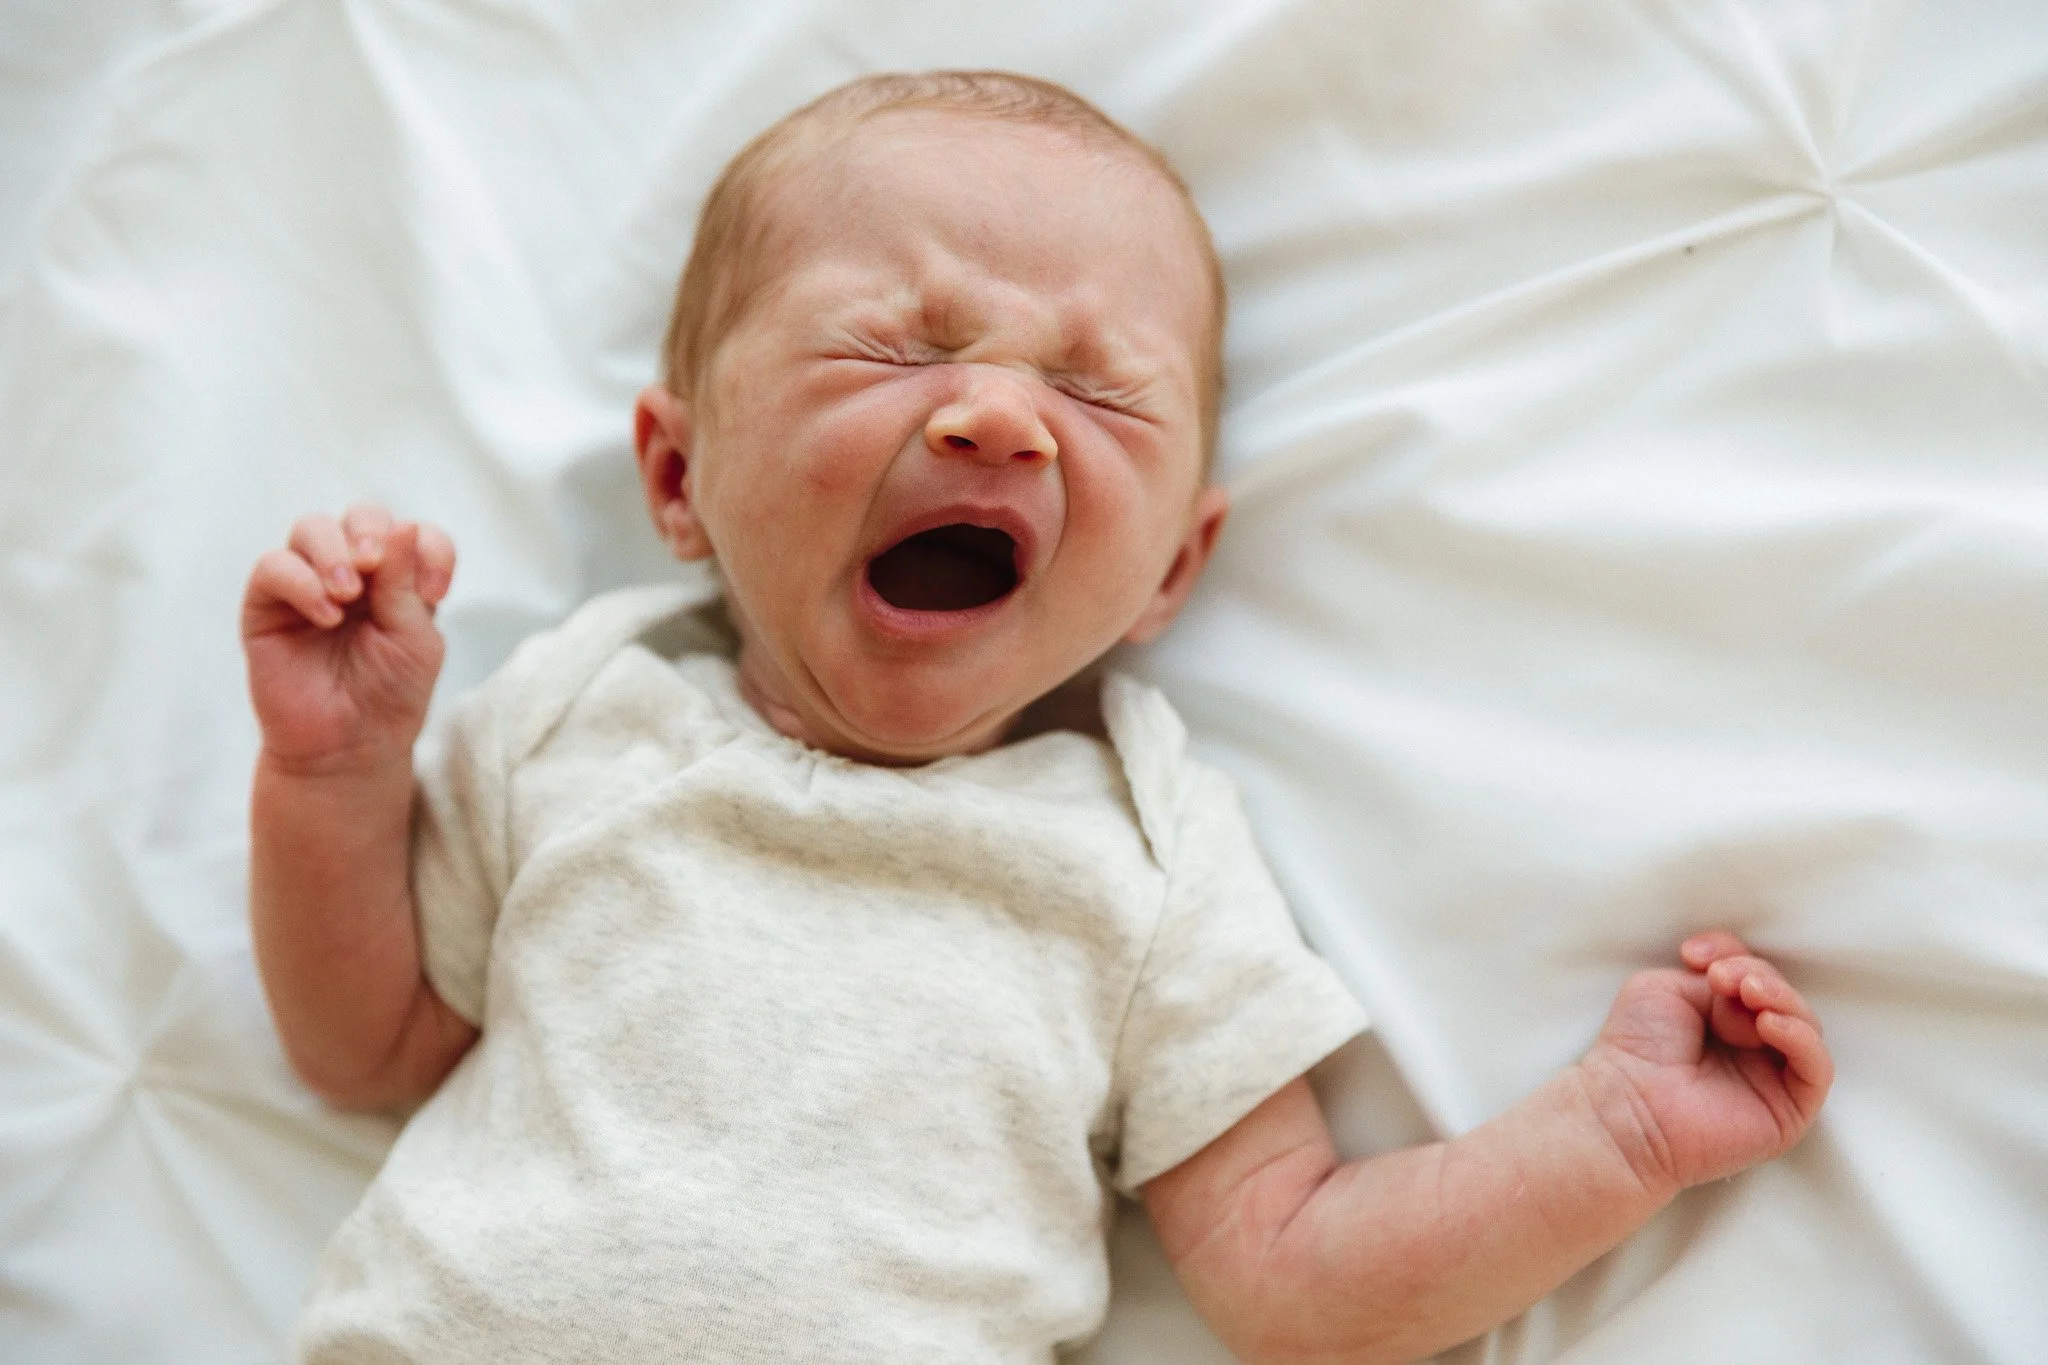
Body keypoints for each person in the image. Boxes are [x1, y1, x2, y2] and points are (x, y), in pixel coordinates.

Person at [240, 71, 1832, 1364]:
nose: (996, 415)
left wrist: (1616, 1134)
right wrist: (335, 771)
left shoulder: (1139, 853)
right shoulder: (587, 708)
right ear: (677, 478)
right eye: (896, 342)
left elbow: (1294, 1278)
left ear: (1171, 571)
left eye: (1100, 392)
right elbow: (367, 1042)